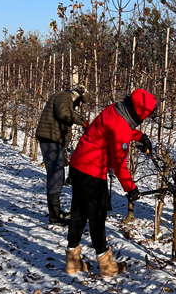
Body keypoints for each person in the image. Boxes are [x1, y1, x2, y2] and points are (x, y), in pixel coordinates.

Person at [64, 89, 155, 277]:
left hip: (79, 164)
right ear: (140, 114)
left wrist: (139, 136)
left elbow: (114, 131)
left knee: (78, 213)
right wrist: (131, 188)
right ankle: (106, 265)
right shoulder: (122, 127)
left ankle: (72, 261)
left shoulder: (114, 109)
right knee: (97, 217)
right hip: (92, 170)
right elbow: (119, 163)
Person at [35, 85, 87, 225]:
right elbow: (64, 114)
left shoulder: (63, 98)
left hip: (54, 141)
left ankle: (57, 212)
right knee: (56, 176)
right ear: (76, 96)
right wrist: (84, 122)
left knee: (57, 176)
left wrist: (63, 149)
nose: (80, 105)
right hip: (50, 139)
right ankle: (54, 217)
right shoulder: (64, 97)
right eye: (80, 101)